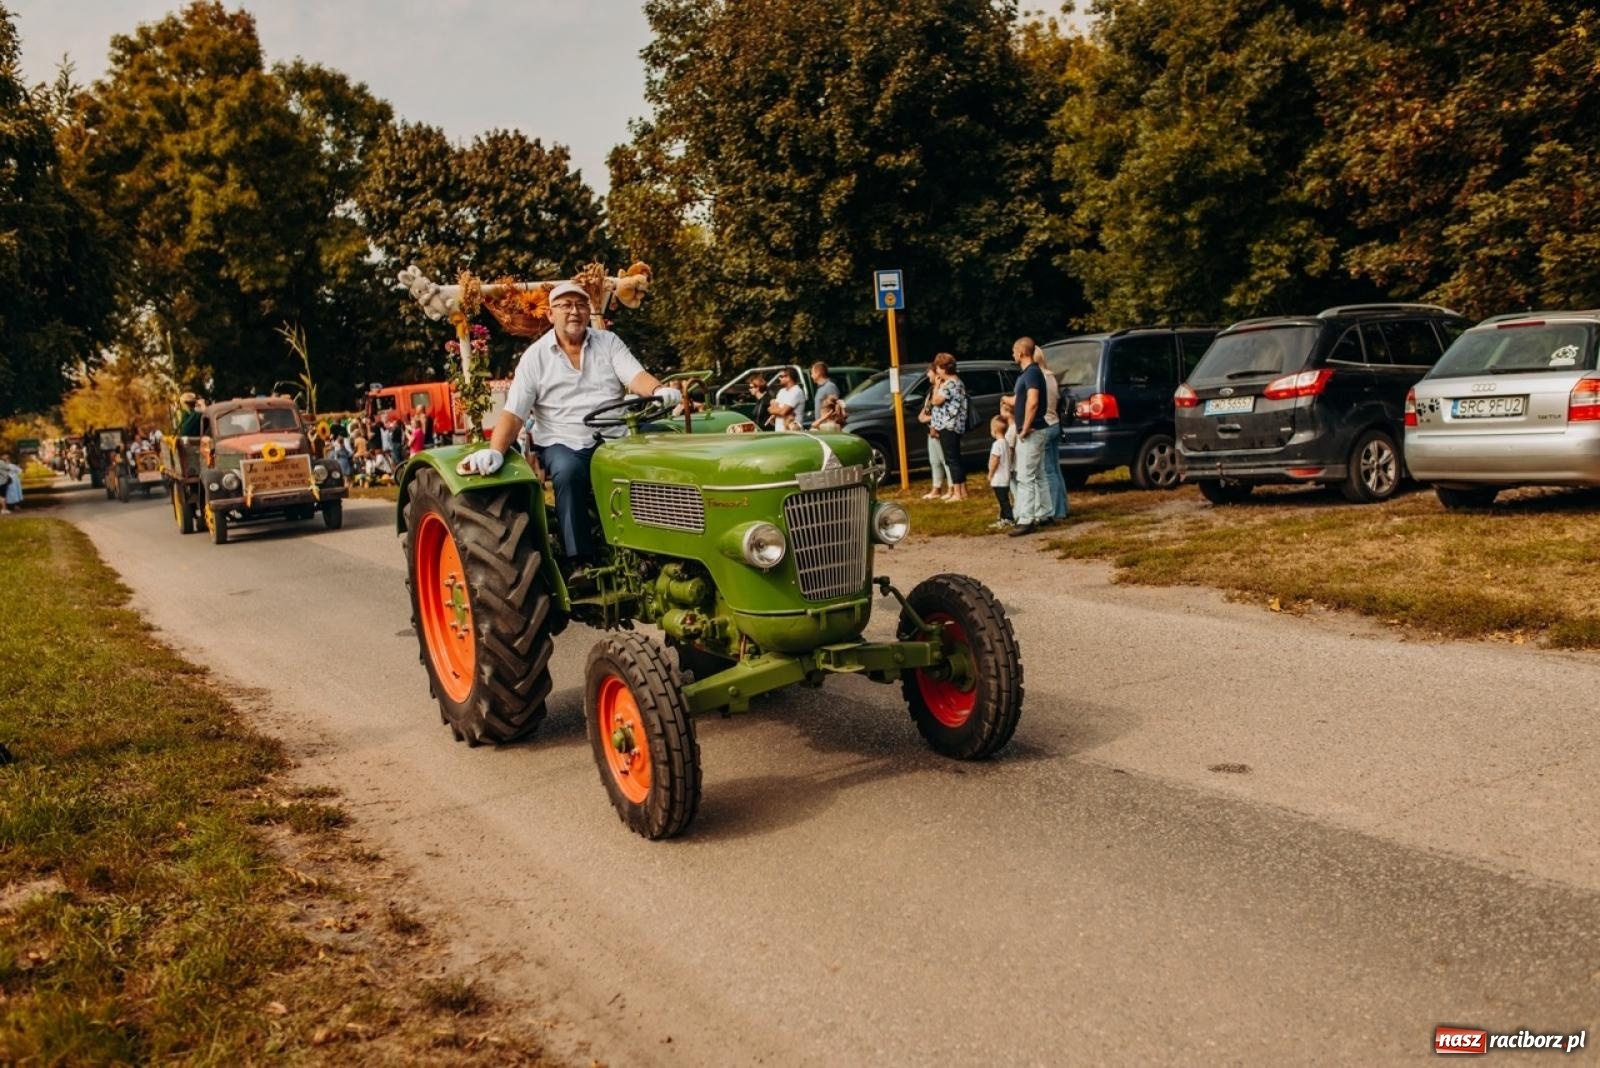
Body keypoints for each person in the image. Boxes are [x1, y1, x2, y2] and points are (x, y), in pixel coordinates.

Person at [461, 280, 680, 587]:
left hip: (616, 435)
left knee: (669, 449)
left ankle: (664, 541)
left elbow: (635, 376)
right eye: (565, 306)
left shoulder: (608, 342)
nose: (574, 312)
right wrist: (496, 450)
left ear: (589, 311)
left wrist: (658, 390)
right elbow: (514, 412)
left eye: (579, 305)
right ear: (550, 314)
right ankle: (580, 561)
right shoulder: (535, 357)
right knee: (568, 473)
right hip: (564, 440)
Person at [1008, 337, 1051, 536]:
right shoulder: (1030, 373)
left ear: (1021, 352)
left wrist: (1025, 427)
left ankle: (1026, 519)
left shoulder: (1031, 373)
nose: (1012, 355)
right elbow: (1023, 399)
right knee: (1039, 473)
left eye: (1014, 351)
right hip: (1039, 429)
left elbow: (1032, 401)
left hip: (1032, 432)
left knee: (1025, 476)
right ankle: (1045, 512)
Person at [1033, 346, 1069, 521]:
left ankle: (1055, 510)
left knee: (1048, 471)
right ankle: (1062, 507)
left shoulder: (1038, 378)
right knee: (1055, 469)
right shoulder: (1051, 376)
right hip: (1055, 423)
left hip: (1045, 425)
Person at [927, 352, 969, 501]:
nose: (937, 371)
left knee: (952, 459)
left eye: (938, 367)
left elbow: (936, 401)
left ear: (944, 368)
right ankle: (962, 491)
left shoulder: (950, 384)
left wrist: (937, 386)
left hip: (949, 426)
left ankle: (957, 493)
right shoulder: (957, 382)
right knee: (956, 458)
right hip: (954, 425)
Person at [918, 360, 951, 499]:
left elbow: (940, 409)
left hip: (937, 429)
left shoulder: (942, 389)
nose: (927, 375)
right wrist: (923, 416)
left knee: (945, 459)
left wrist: (931, 422)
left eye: (929, 372)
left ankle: (952, 487)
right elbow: (928, 407)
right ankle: (936, 488)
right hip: (930, 429)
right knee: (934, 460)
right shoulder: (931, 390)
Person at [986, 416, 1014, 529]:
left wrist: (990, 474)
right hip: (1006, 476)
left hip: (998, 478)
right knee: (1004, 498)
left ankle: (1009, 518)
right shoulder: (1006, 443)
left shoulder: (997, 444)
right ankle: (1003, 517)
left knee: (1003, 500)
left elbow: (995, 460)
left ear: (994, 430)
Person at [808, 361, 840, 429]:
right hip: (822, 426)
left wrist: (819, 422)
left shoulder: (830, 386)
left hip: (829, 427)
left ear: (818, 373)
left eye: (812, 373)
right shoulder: (820, 388)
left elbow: (834, 409)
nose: (811, 376)